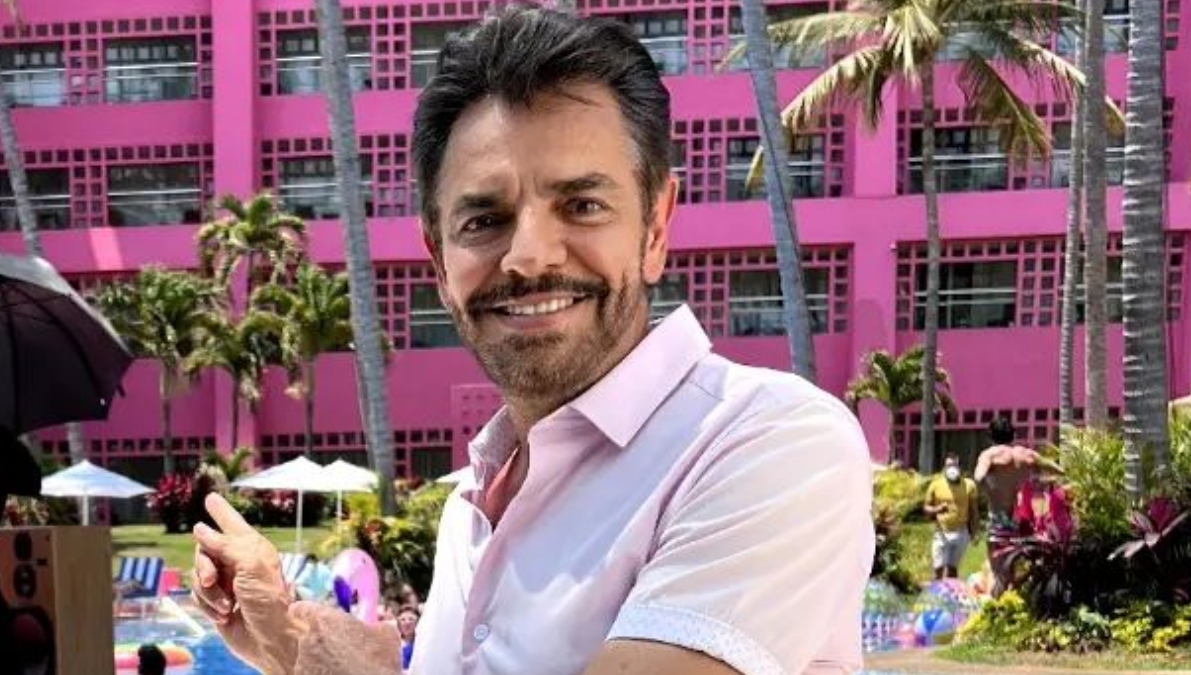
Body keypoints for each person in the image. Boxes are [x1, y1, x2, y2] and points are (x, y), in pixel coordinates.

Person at [189, 6, 873, 675]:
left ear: (655, 227)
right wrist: (290, 642)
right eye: (484, 220)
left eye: (583, 206)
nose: (529, 256)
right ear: (438, 260)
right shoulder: (470, 506)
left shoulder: (768, 442)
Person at [973, 417, 1061, 595]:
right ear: (1013, 434)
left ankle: (998, 608)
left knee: (998, 573)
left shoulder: (989, 455)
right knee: (1015, 572)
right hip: (1021, 520)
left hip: (999, 520)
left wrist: (991, 489)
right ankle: (1016, 602)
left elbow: (978, 477)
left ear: (990, 436)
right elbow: (1057, 470)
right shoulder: (1026, 454)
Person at [923, 453, 978, 579]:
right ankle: (937, 590)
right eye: (948, 465)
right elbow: (926, 507)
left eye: (954, 465)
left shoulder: (969, 485)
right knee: (938, 568)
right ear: (944, 468)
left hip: (961, 532)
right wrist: (937, 509)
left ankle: (951, 590)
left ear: (959, 467)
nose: (952, 468)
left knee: (953, 569)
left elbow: (974, 511)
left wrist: (974, 532)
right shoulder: (936, 485)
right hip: (941, 533)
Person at [397, 606, 419, 674]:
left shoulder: (422, 643)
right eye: (403, 620)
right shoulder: (394, 644)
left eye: (411, 619)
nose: (407, 622)